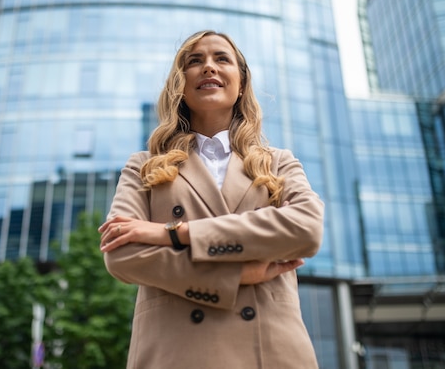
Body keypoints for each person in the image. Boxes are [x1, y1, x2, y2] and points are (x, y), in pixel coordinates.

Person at [99, 30, 324, 368]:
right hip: (176, 352)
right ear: (180, 83)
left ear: (242, 82)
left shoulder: (277, 162)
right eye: (194, 61)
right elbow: (122, 253)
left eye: (222, 59)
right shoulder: (143, 166)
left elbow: (306, 229)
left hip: (271, 351)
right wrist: (234, 277)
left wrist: (172, 233)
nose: (208, 67)